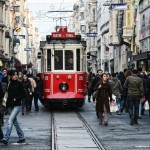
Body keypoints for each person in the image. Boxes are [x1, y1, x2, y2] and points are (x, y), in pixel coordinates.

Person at [0, 70, 25, 145]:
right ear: (10, 76)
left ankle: (6, 138)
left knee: (10, 121)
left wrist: (16, 99)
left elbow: (23, 94)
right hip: (10, 105)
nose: (15, 76)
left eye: (16, 74)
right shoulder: (9, 83)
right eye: (14, 75)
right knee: (15, 122)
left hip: (17, 105)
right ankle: (21, 137)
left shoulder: (19, 83)